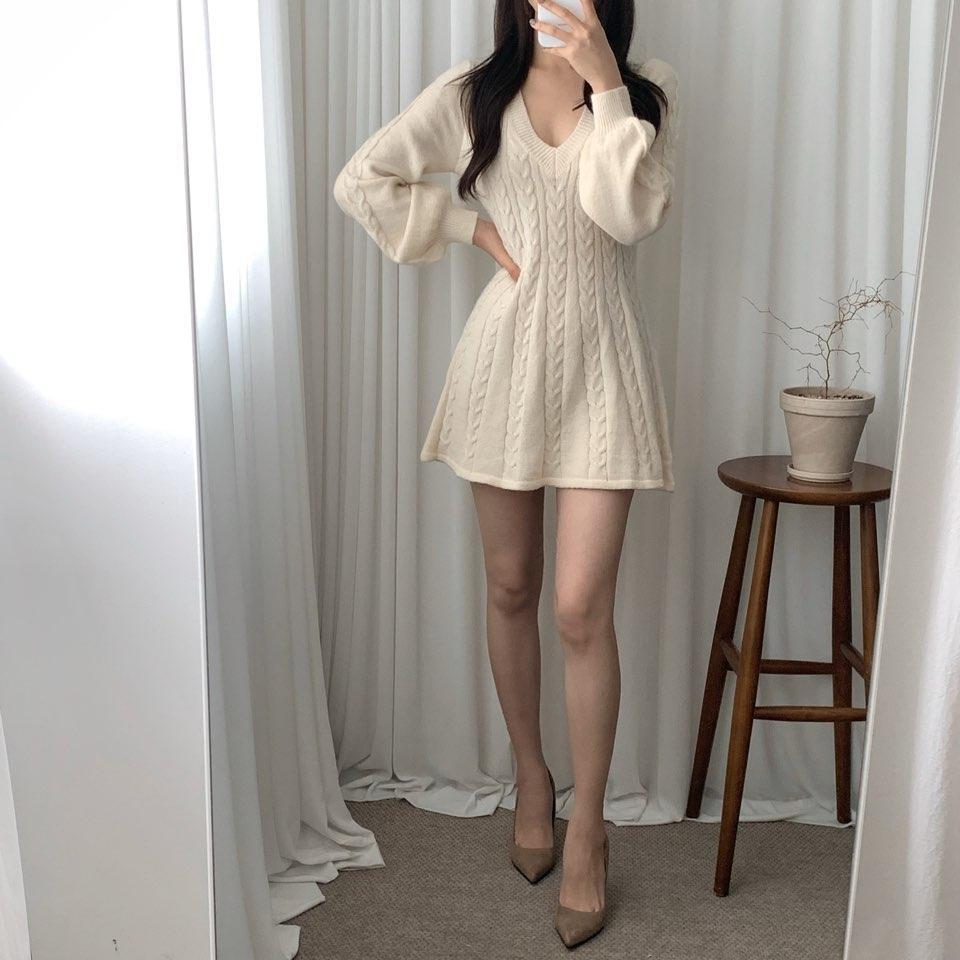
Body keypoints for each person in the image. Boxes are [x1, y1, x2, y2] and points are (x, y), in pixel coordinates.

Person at [334, 0, 678, 947]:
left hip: (604, 364)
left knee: (580, 608)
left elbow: (627, 217)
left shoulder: (646, 93)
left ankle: (589, 829)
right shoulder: (473, 94)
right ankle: (532, 777)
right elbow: (363, 179)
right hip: (506, 361)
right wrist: (464, 226)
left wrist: (606, 84)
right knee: (511, 585)